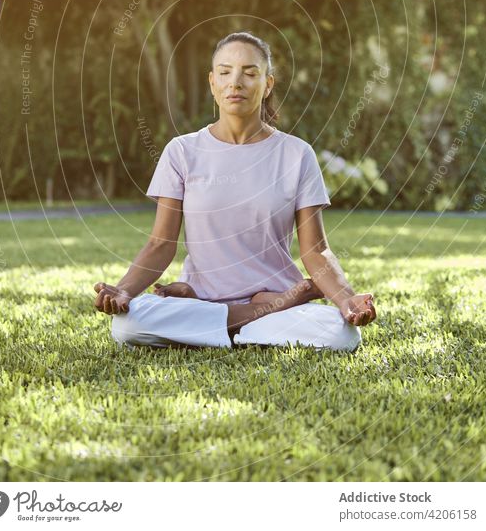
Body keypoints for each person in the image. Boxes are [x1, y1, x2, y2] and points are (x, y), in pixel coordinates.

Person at [94, 31, 376, 351]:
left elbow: (316, 250)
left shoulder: (297, 154)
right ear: (213, 83)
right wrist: (125, 291)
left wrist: (346, 299)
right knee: (126, 324)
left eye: (250, 73)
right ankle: (255, 318)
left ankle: (227, 327)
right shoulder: (181, 151)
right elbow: (161, 243)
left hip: (238, 300)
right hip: (209, 300)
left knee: (341, 334)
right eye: (225, 72)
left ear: (267, 84)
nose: (236, 82)